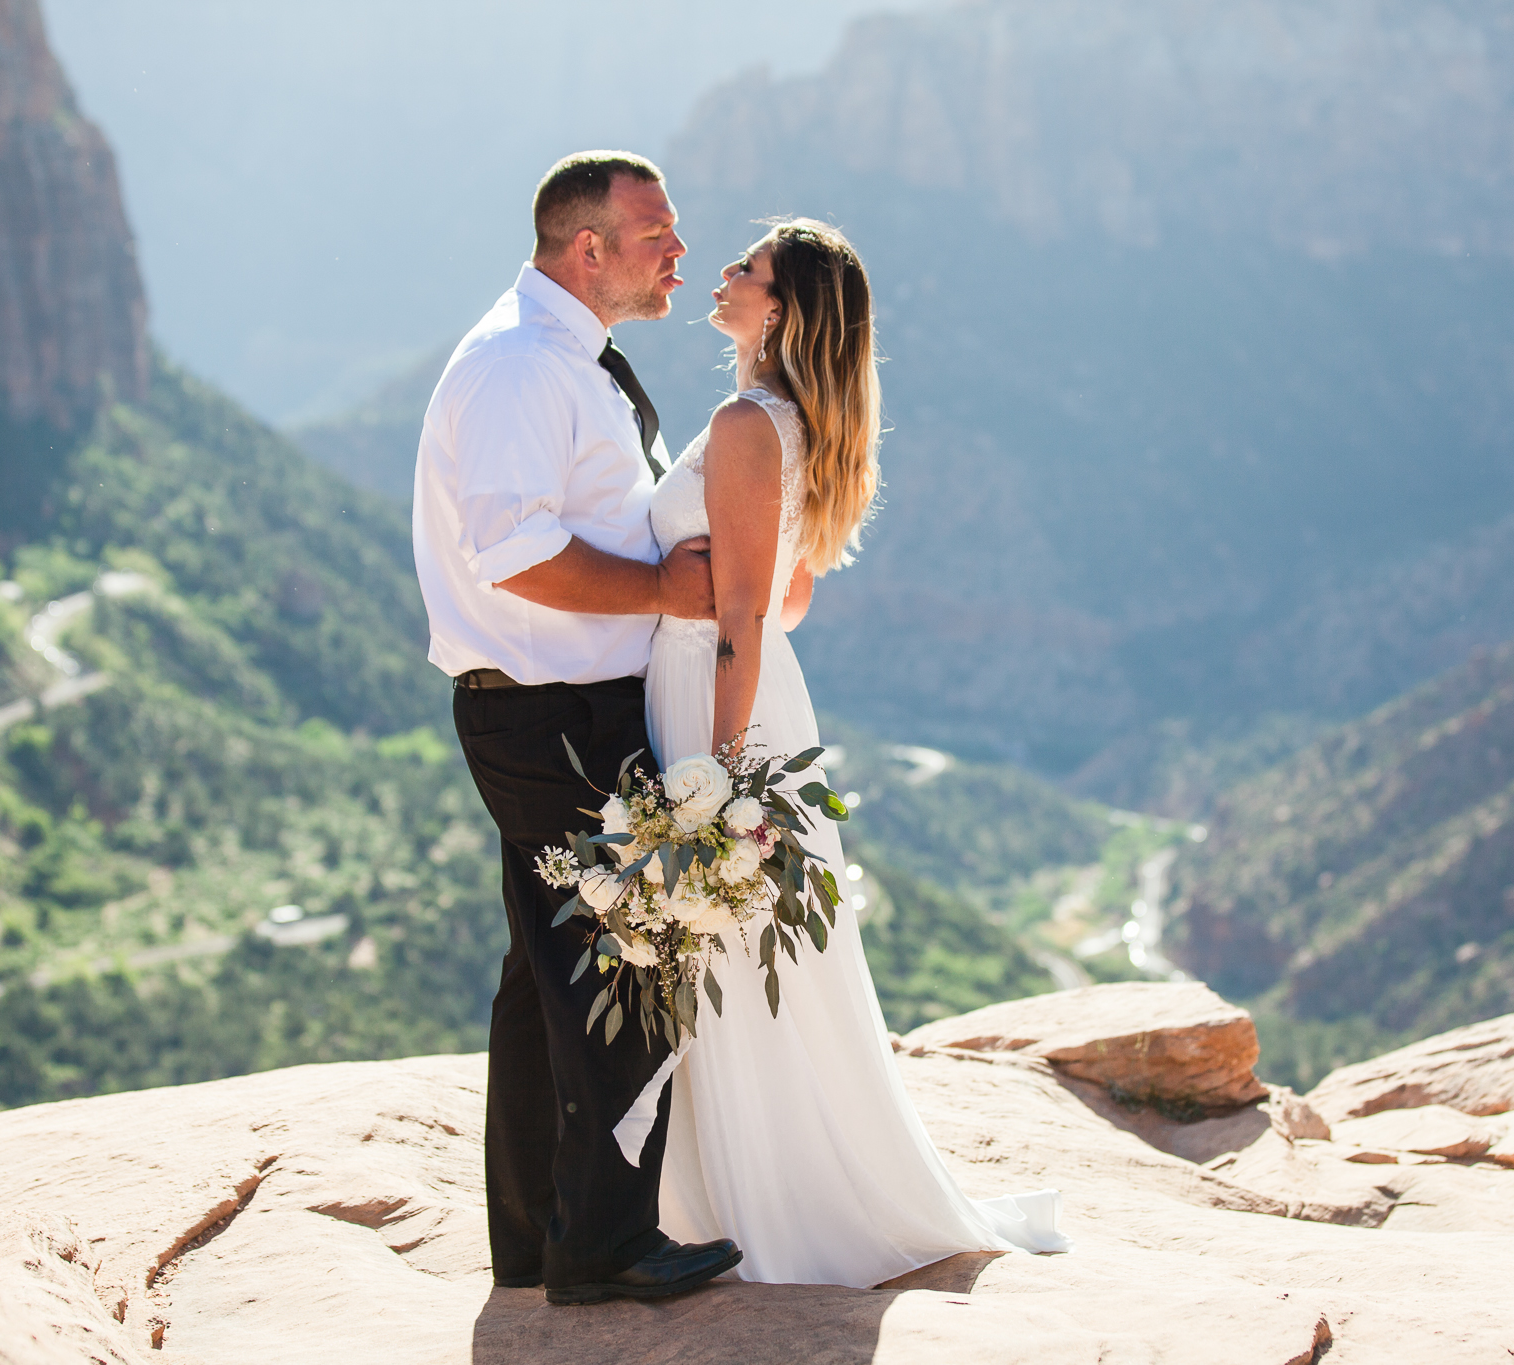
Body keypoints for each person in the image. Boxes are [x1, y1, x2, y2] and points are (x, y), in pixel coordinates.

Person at [644, 219, 1072, 1286]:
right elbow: (788, 594)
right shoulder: (793, 426)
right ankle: (747, 1186)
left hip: (715, 701)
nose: (726, 275)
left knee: (726, 939)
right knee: (741, 951)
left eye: (745, 269)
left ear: (778, 308)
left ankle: (744, 1205)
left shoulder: (747, 424)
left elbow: (746, 616)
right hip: (748, 693)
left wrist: (713, 781)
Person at [411, 151, 743, 1305]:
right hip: (551, 714)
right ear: (585, 247)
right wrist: (666, 595)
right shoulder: (516, 366)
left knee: (544, 975)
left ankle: (537, 1236)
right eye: (655, 231)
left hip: (567, 709)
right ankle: (602, 1248)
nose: (678, 251)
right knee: (621, 957)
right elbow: (516, 557)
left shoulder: (566, 359)